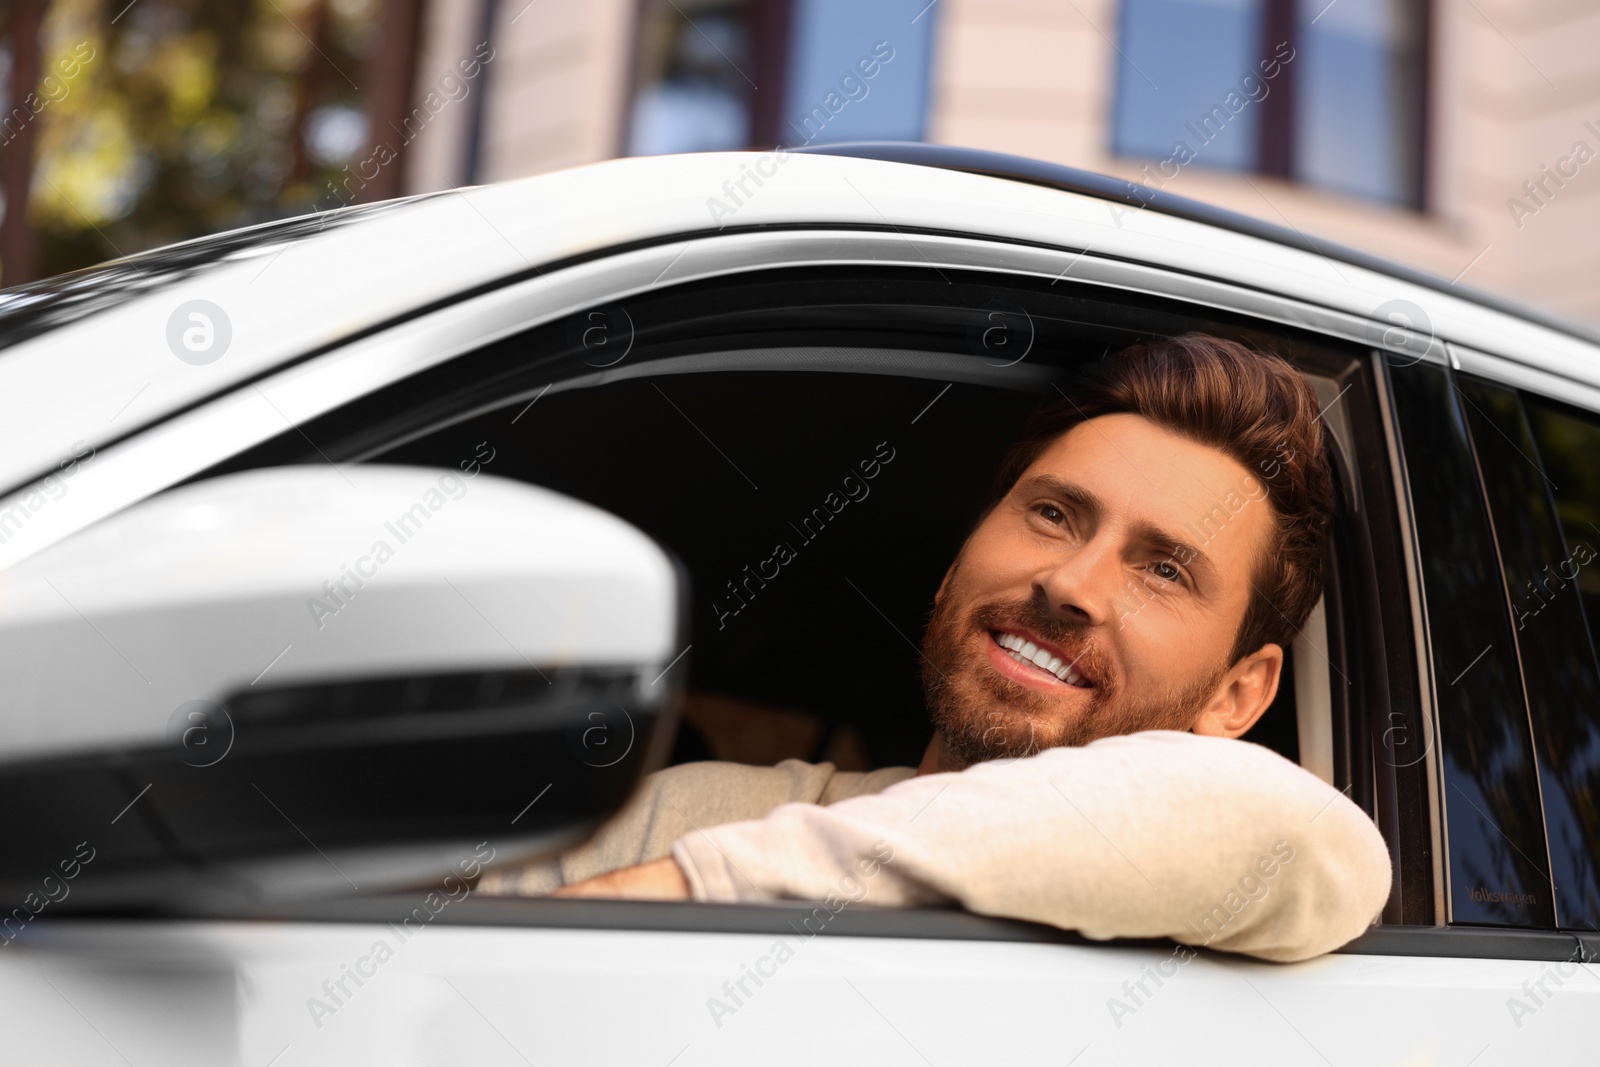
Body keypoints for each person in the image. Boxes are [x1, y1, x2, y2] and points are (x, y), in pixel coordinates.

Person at [475, 333, 1392, 963]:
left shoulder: (1230, 896)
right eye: (1052, 513)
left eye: (1163, 569)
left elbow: (1309, 835)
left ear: (1237, 696)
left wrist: (705, 891)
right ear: (962, 554)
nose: (1071, 582)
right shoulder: (669, 820)